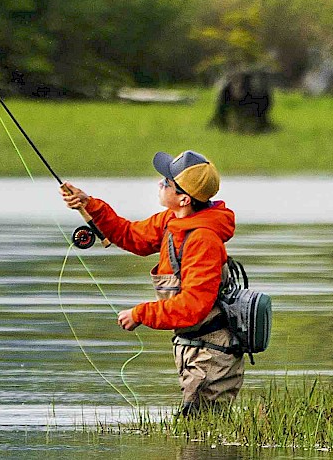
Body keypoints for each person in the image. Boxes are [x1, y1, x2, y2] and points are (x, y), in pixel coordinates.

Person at [58, 149, 242, 414]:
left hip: (213, 355)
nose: (160, 183)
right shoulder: (172, 221)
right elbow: (129, 235)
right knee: (198, 437)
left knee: (201, 438)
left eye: (166, 182)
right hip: (195, 349)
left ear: (184, 198)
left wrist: (140, 313)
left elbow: (192, 306)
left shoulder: (203, 239)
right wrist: (89, 204)